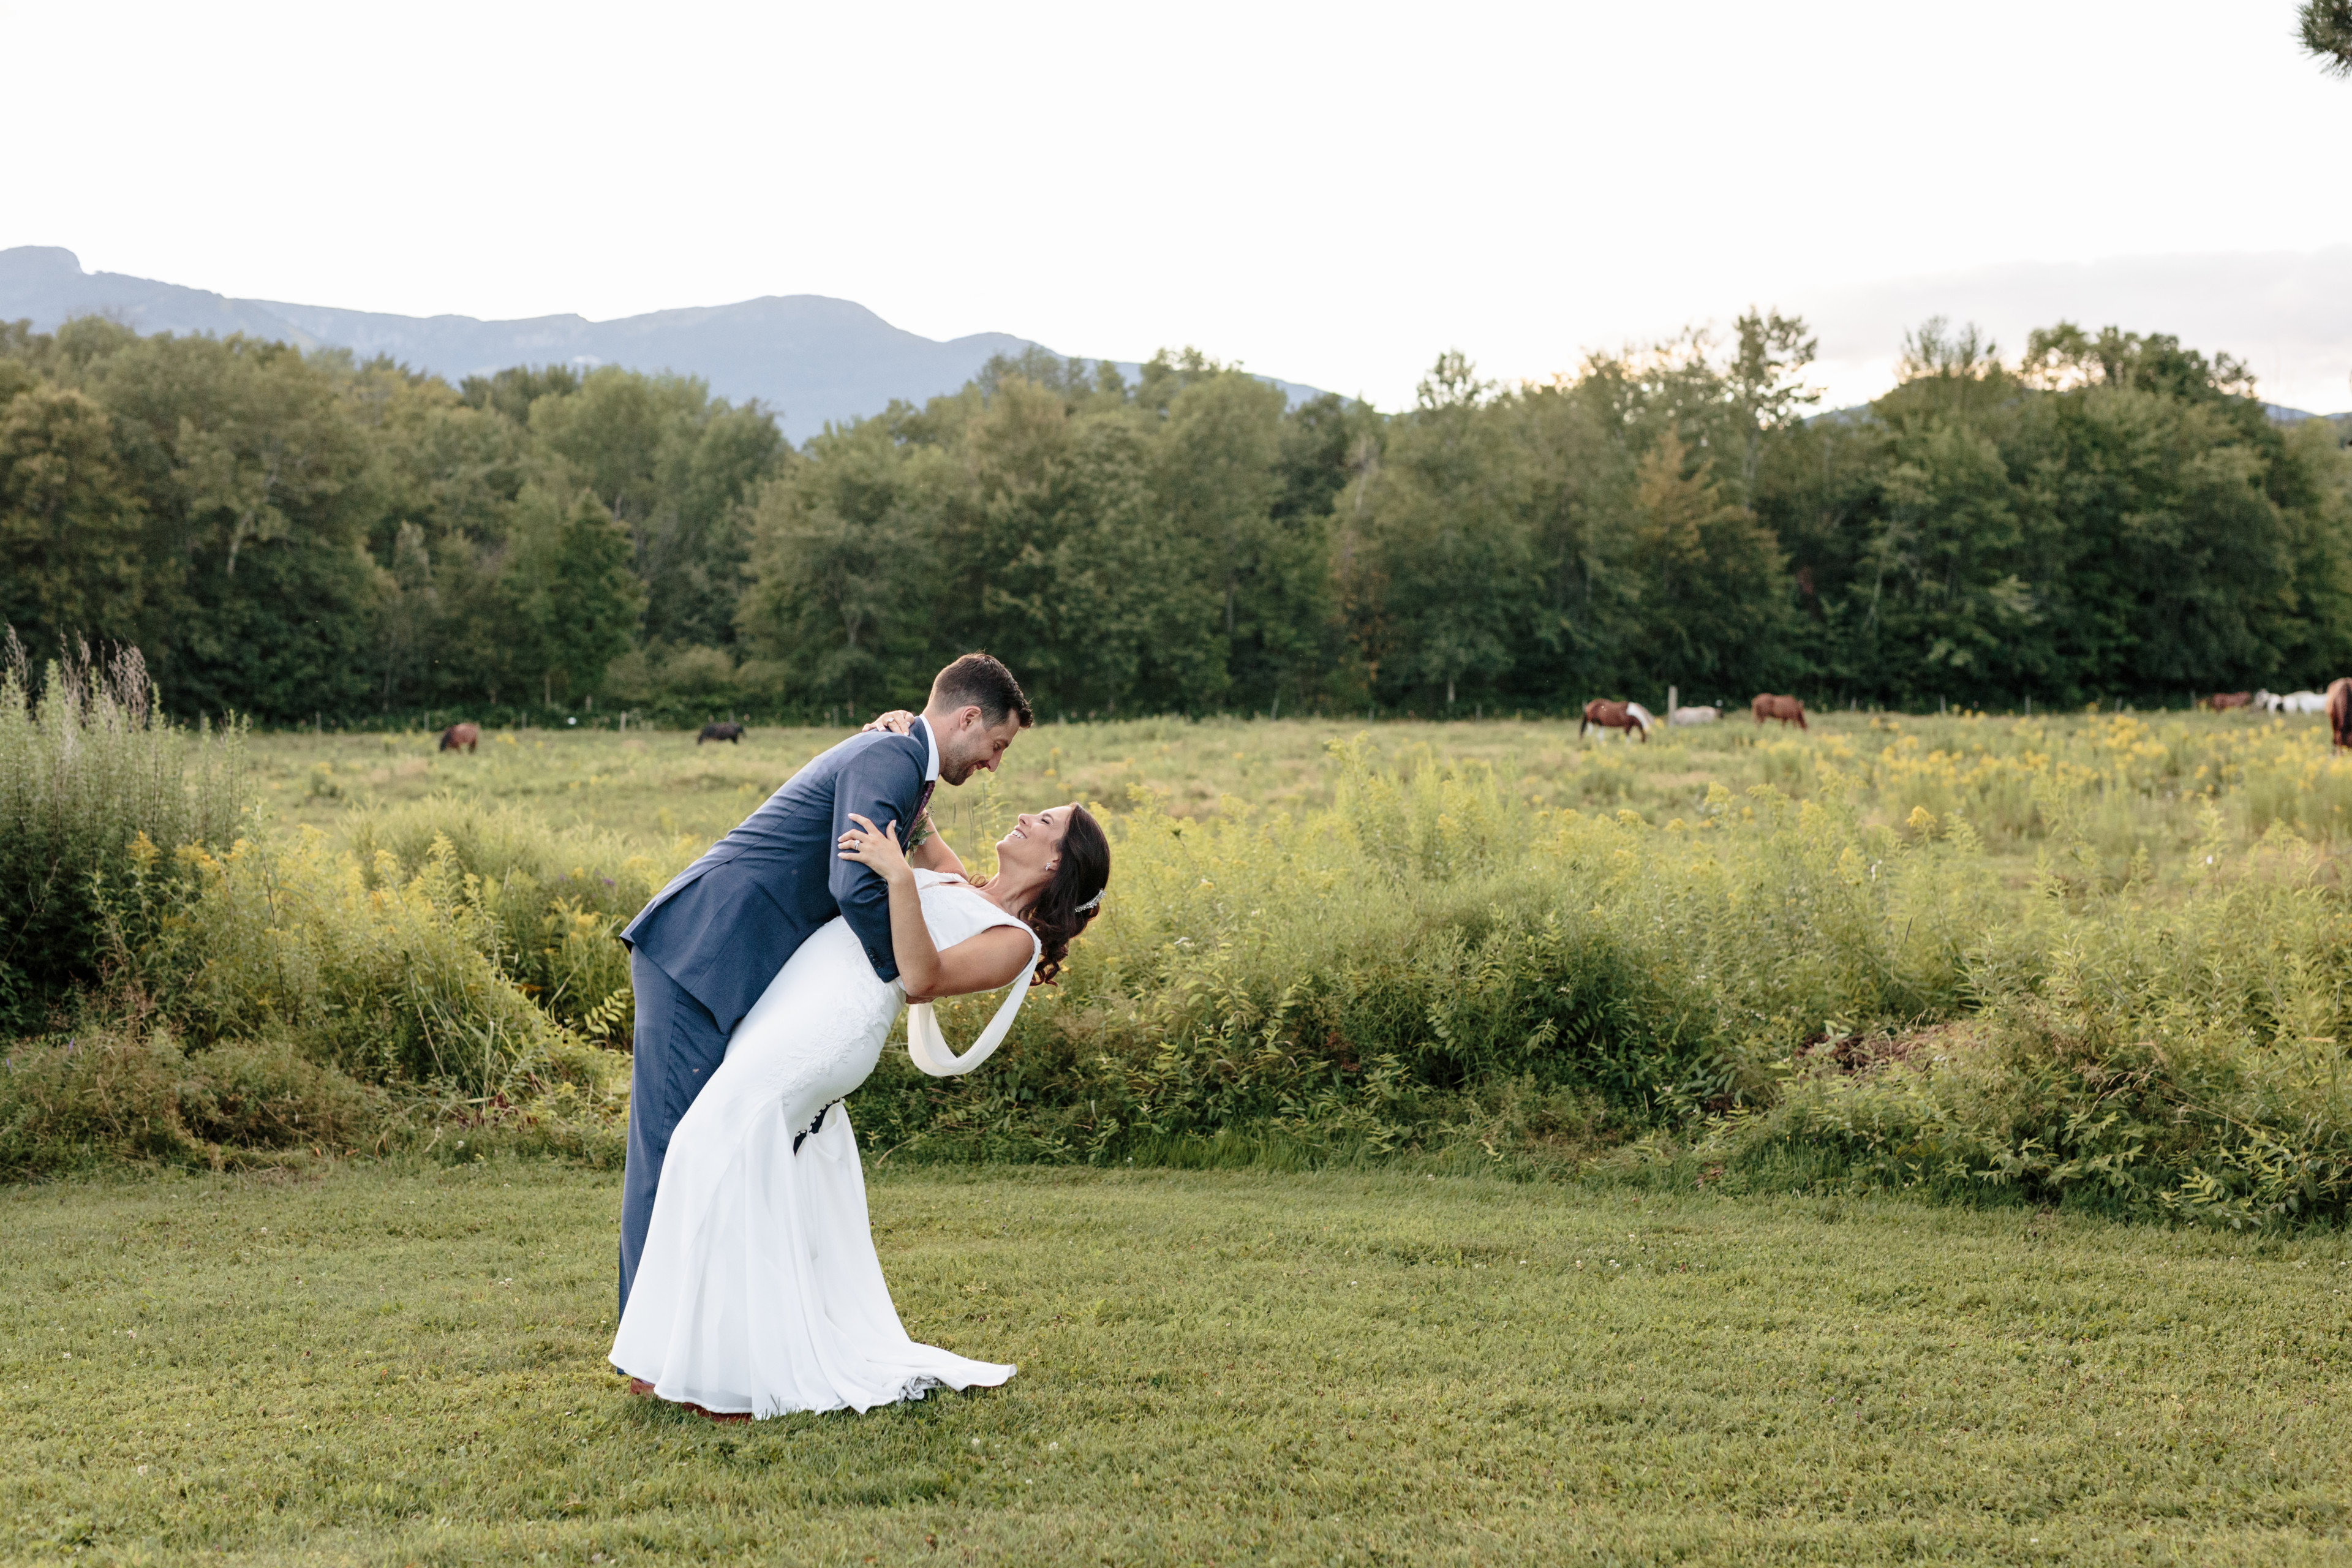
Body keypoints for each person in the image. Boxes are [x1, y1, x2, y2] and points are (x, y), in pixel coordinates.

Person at [608, 796, 1112, 1419]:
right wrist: (896, 734)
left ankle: (735, 1375)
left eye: (1046, 820)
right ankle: (680, 1358)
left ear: (1058, 857)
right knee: (713, 1153)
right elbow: (918, 815)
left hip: (833, 1025)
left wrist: (899, 877)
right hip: (798, 999)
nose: (1028, 816)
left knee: (712, 1146)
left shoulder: (1014, 941)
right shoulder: (962, 879)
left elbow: (923, 977)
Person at [612, 654, 1030, 1315]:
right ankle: (649, 1351)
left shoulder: (902, 765)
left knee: (704, 1146)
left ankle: (685, 1335)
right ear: (969, 717)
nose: (994, 764)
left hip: (736, 958)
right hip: (702, 947)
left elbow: (945, 878)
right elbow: (853, 881)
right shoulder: (893, 758)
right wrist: (898, 975)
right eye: (996, 745)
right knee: (671, 1149)